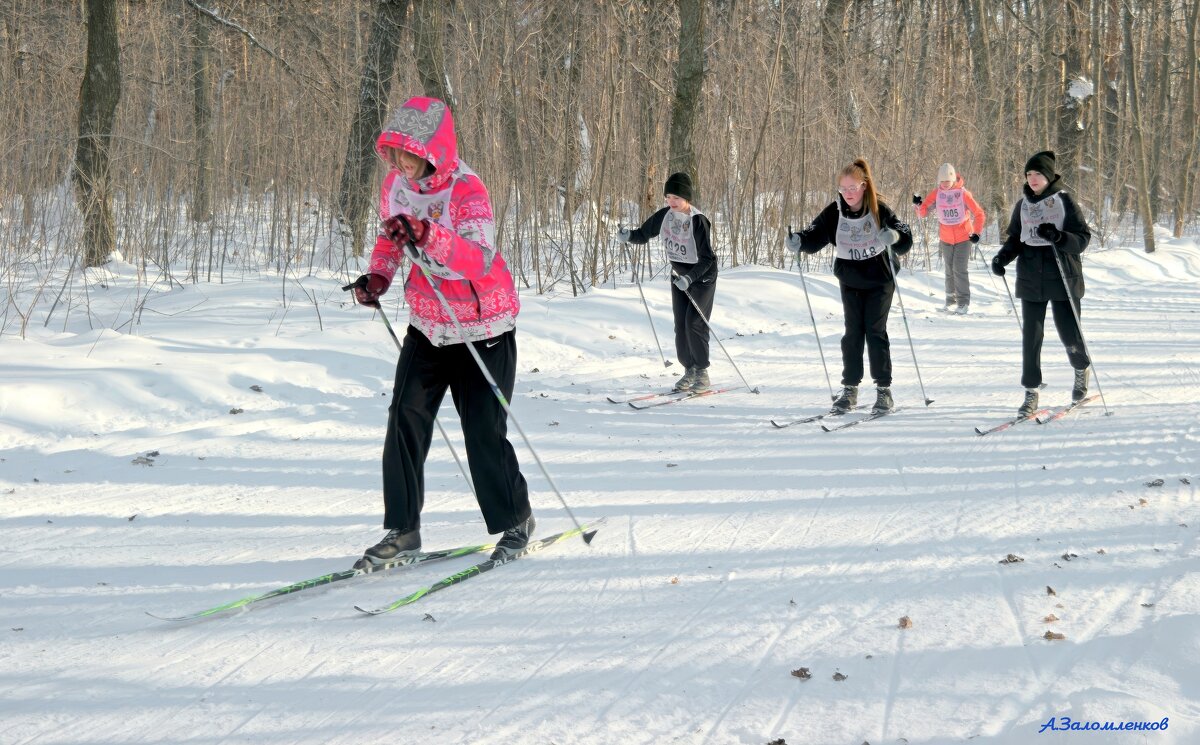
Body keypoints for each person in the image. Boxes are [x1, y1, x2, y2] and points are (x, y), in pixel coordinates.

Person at [350, 96, 534, 566]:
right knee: (404, 419)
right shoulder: (396, 186)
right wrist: (378, 276)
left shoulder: (467, 190)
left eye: (406, 155)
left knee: (482, 433)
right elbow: (389, 237)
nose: (398, 164)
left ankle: (516, 522)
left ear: (432, 150)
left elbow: (479, 257)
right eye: (392, 154)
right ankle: (402, 529)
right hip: (428, 325)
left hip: (482, 325)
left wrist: (428, 234)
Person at [786, 158, 913, 414]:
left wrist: (895, 237)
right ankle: (850, 389)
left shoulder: (879, 209)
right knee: (852, 333)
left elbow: (905, 235)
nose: (848, 194)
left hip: (880, 278)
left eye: (853, 188)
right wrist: (798, 240)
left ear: (864, 186)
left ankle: (883, 390)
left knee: (875, 332)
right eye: (843, 189)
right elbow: (814, 235)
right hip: (851, 280)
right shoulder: (835, 212)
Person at [990, 150, 1091, 417]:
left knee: (1069, 333)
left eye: (1037, 174)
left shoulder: (1064, 201)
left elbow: (1082, 238)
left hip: (1062, 276)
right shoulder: (1022, 205)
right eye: (1028, 174)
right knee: (1031, 338)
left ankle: (1081, 370)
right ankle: (1031, 391)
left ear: (1048, 176)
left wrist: (1059, 236)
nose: (1032, 178)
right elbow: (1015, 239)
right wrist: (1002, 257)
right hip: (1031, 279)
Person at [617, 172, 718, 392]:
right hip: (678, 275)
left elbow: (708, 258)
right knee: (680, 325)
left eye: (677, 198)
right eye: (668, 197)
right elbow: (643, 234)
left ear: (687, 199)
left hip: (702, 277)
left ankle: (702, 372)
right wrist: (628, 236)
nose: (672, 202)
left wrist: (690, 278)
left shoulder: (697, 220)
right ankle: (689, 370)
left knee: (694, 323)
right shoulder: (665, 215)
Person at [913, 163, 986, 314]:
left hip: (964, 237)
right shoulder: (936, 193)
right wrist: (918, 204)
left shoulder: (963, 193)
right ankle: (950, 301)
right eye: (942, 181)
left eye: (948, 181)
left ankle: (963, 302)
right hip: (945, 238)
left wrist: (977, 232)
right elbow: (923, 212)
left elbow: (979, 213)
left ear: (953, 179)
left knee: (959, 269)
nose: (945, 184)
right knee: (948, 270)